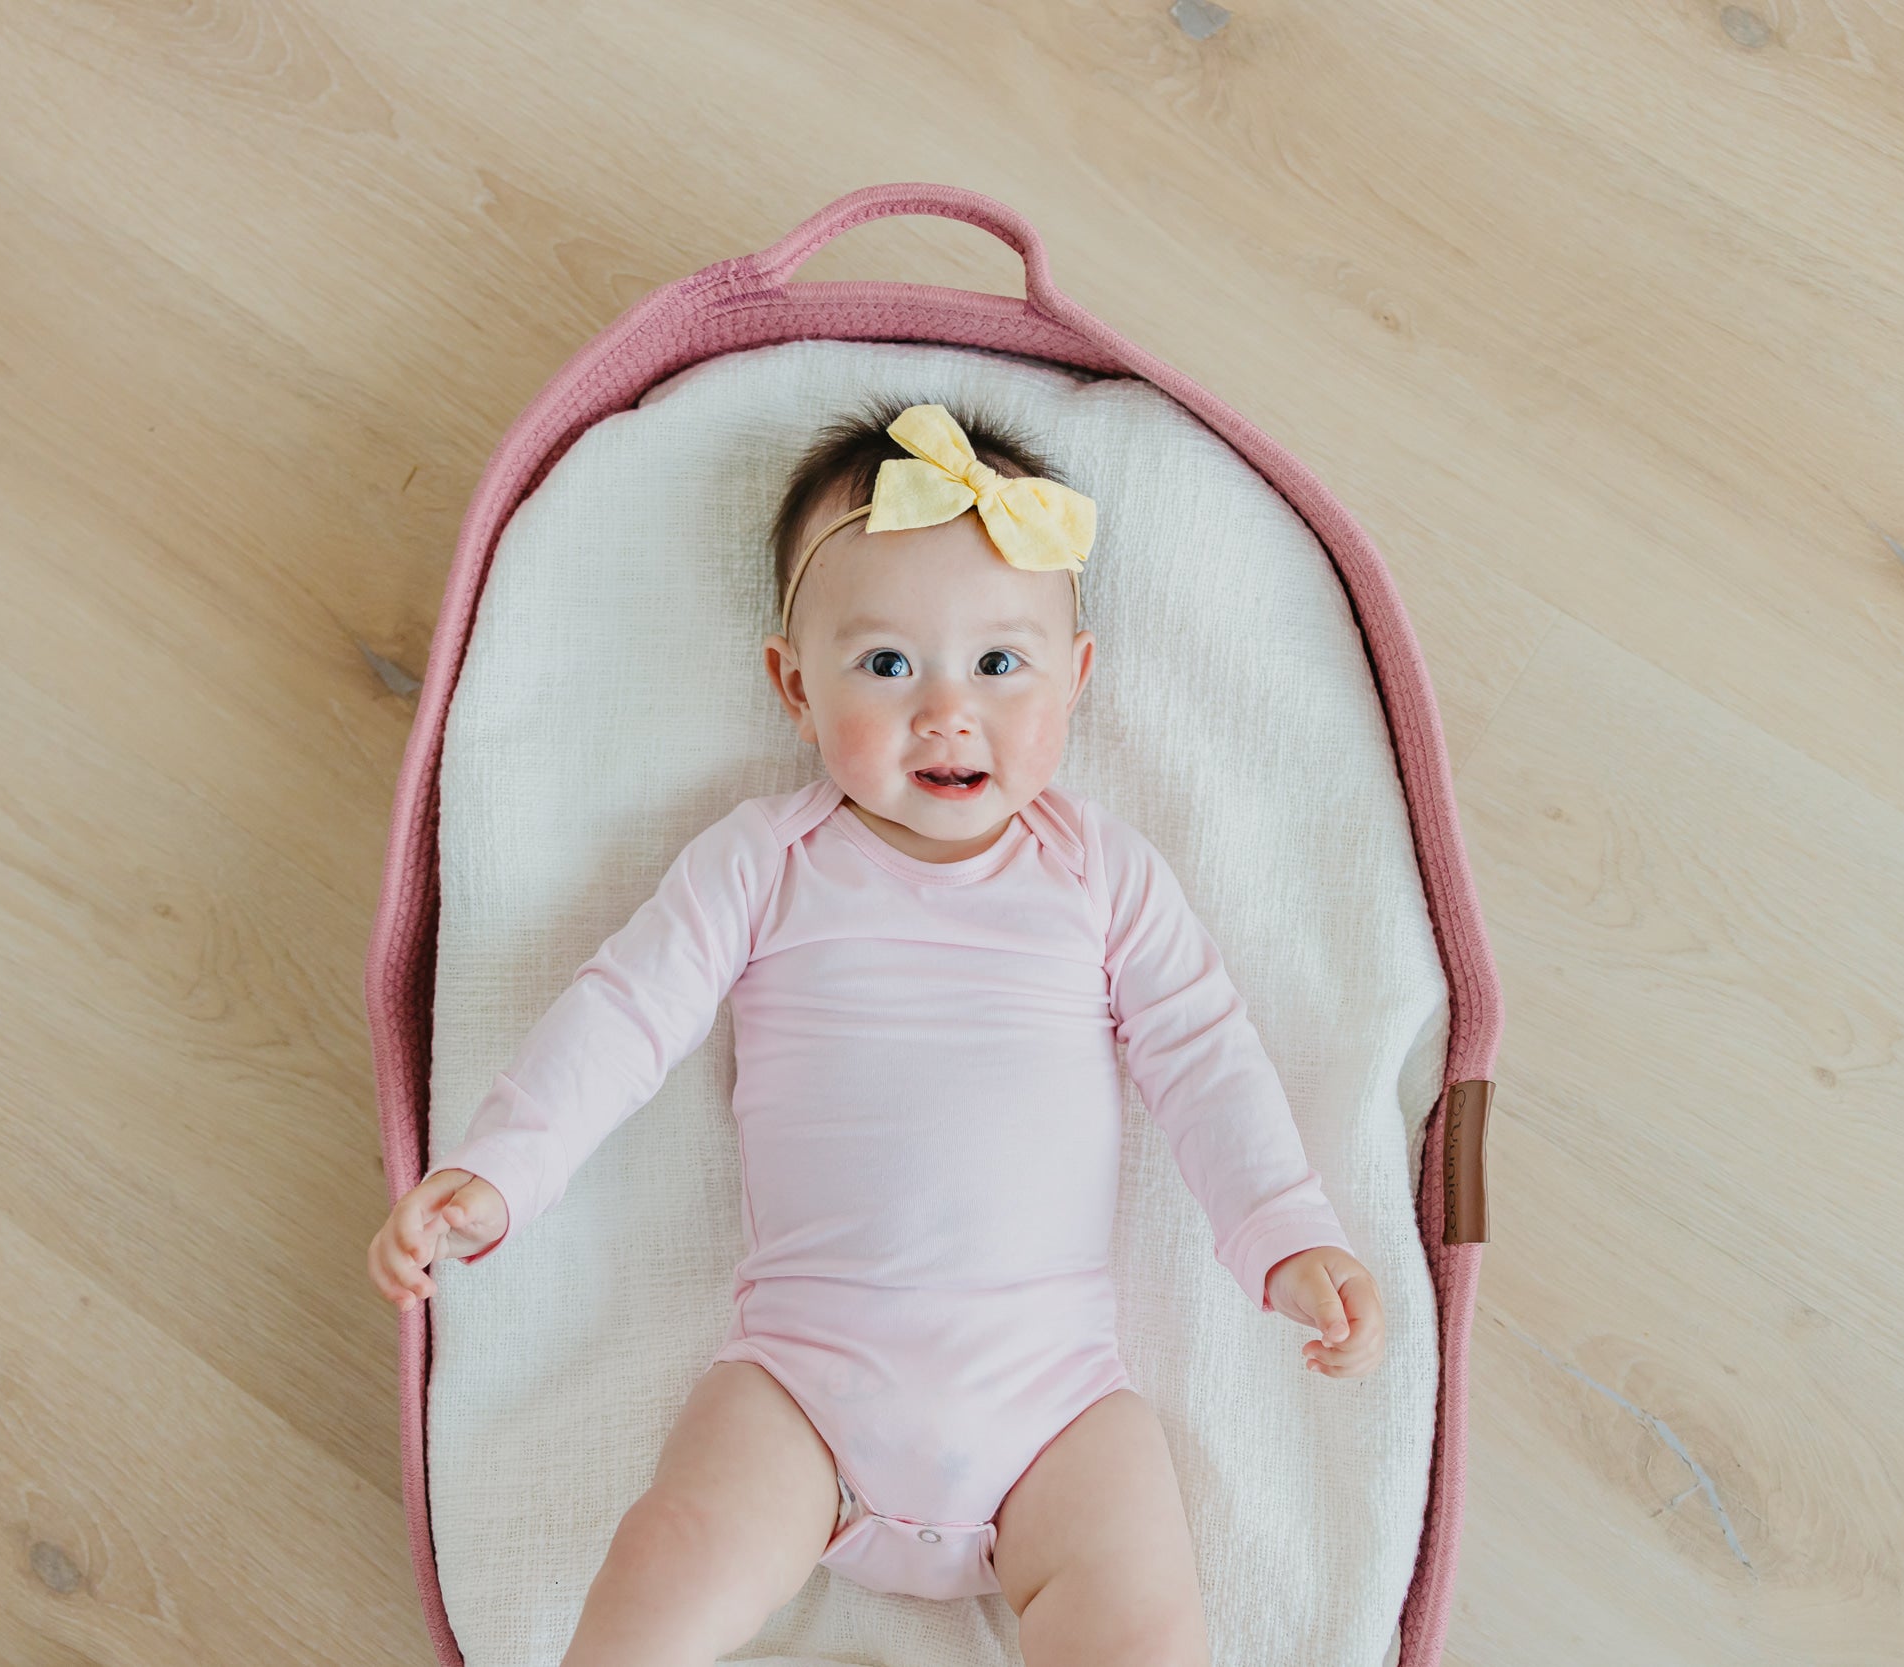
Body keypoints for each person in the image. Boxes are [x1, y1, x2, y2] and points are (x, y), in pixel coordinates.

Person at [370, 397, 1385, 1667]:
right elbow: (624, 1011)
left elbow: (1205, 1057)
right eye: (889, 666)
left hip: (1056, 1403)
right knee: (676, 1552)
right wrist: (501, 1169)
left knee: (1143, 1616)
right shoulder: (765, 860)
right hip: (803, 1387)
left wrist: (1287, 1233)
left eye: (999, 665)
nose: (948, 711)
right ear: (795, 687)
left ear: (1076, 677)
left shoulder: (1102, 875)